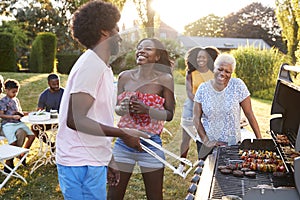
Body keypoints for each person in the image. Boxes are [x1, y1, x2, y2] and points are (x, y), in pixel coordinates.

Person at [55, 1, 148, 200]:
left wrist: (108, 158)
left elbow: (97, 117)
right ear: (104, 32)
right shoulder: (91, 64)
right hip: (78, 163)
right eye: (116, 28)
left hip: (92, 160)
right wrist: (123, 133)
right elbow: (76, 119)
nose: (120, 36)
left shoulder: (102, 67)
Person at [107, 38, 175, 200]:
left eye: (148, 49)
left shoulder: (165, 80)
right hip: (124, 143)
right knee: (113, 195)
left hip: (151, 144)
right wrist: (122, 108)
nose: (142, 51)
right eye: (139, 48)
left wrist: (147, 110)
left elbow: (170, 114)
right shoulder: (124, 77)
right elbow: (118, 110)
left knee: (154, 197)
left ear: (157, 57)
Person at [193, 53, 262, 150]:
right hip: (207, 145)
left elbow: (249, 114)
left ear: (232, 73)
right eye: (220, 69)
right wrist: (207, 141)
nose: (223, 74)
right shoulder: (203, 88)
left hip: (232, 143)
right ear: (214, 68)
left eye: (227, 71)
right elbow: (196, 118)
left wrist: (260, 140)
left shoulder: (238, 85)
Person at [177, 46, 220, 174]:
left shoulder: (215, 72)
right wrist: (199, 104)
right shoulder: (191, 73)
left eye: (204, 57)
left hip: (210, 108)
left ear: (208, 59)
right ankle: (181, 165)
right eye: (198, 57)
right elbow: (189, 92)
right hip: (191, 106)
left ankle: (202, 166)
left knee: (203, 137)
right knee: (186, 137)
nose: (201, 59)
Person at [0, 79, 35, 172]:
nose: (15, 94)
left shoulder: (16, 99)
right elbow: (1, 114)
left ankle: (22, 154)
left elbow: (18, 112)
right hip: (8, 124)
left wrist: (27, 113)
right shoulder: (3, 101)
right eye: (13, 92)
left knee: (32, 136)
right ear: (6, 90)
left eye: (17, 92)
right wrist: (12, 116)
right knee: (13, 142)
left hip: (18, 123)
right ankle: (9, 161)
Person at [31, 74, 64, 144]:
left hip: (63, 120)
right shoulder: (44, 95)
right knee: (34, 127)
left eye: (58, 83)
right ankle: (50, 144)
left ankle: (62, 146)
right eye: (54, 84)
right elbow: (40, 111)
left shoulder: (64, 92)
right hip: (49, 120)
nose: (56, 86)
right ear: (49, 83)